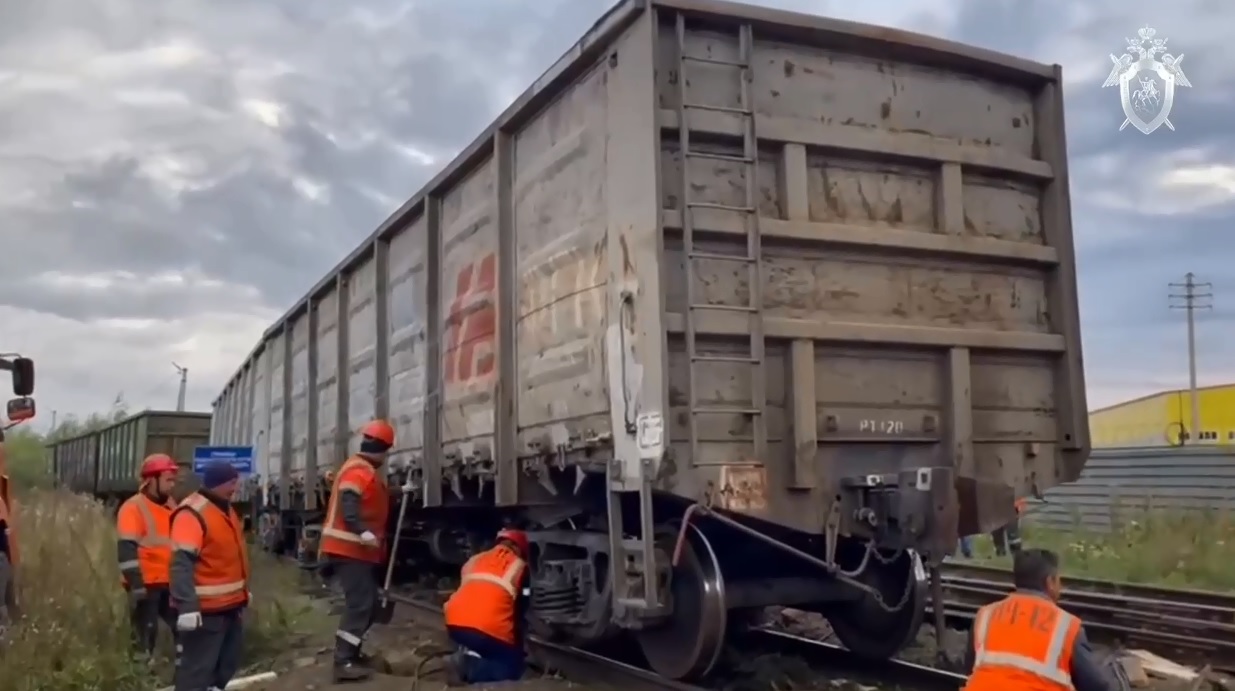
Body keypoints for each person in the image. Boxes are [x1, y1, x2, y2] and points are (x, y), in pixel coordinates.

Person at [962, 548, 1121, 691]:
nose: (1061, 586)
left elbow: (970, 669)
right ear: (1050, 582)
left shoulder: (985, 615)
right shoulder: (1066, 627)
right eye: (1059, 580)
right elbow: (1098, 686)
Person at [318, 420, 395, 682]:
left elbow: (368, 498)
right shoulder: (359, 471)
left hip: (355, 550)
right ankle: (343, 661)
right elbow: (349, 505)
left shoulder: (362, 470)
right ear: (383, 450)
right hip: (349, 548)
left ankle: (352, 654)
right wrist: (361, 531)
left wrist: (397, 492)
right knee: (361, 604)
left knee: (370, 604)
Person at [169, 462, 249, 691]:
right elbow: (181, 563)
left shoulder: (225, 509)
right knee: (197, 671)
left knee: (225, 666)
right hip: (205, 610)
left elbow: (228, 556)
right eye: (232, 482)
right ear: (219, 484)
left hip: (230, 606)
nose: (236, 487)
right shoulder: (192, 513)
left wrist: (243, 590)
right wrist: (187, 606)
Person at [442, 528, 531, 685]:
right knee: (510, 667)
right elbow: (520, 610)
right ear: (519, 549)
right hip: (486, 630)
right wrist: (517, 646)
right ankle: (467, 667)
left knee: (482, 641)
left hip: (453, 624)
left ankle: (466, 653)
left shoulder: (475, 559)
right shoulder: (520, 567)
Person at [116, 453, 180, 656]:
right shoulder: (133, 508)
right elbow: (126, 550)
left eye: (173, 480)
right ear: (152, 480)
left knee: (184, 630)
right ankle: (141, 675)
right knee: (145, 635)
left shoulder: (172, 506)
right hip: (146, 584)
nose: (172, 485)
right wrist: (136, 585)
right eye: (168, 480)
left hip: (170, 582)